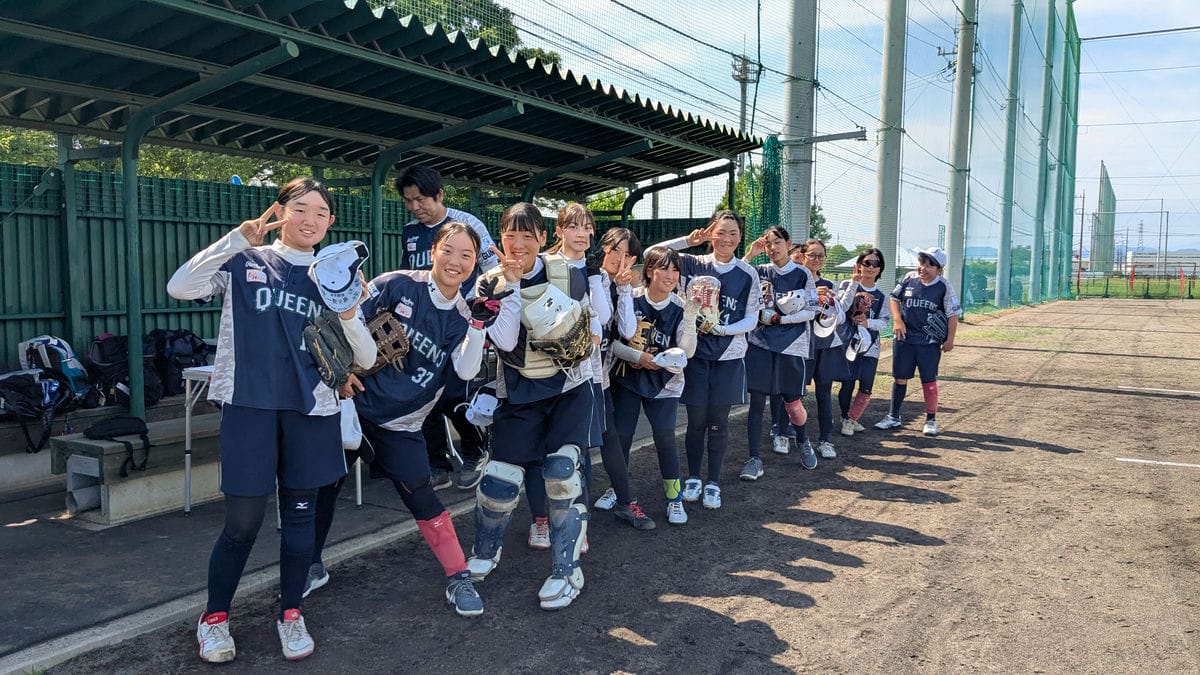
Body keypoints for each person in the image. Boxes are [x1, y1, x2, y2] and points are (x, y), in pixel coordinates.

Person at [167, 178, 377, 663]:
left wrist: (347, 310)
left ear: (330, 223)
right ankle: (215, 618)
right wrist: (236, 240)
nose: (310, 219)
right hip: (249, 405)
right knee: (243, 522)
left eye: (321, 213)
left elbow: (363, 355)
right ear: (279, 210)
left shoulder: (335, 271)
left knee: (301, 521)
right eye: (299, 208)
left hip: (311, 409)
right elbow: (181, 287)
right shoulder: (245, 260)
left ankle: (290, 612)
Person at [342, 221, 509, 617]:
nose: (456, 261)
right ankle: (311, 567)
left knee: (424, 497)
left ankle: (459, 577)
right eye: (448, 250)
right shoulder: (397, 284)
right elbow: (344, 321)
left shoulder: (465, 312)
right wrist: (338, 373)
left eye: (467, 255)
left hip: (400, 423)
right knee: (321, 489)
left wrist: (479, 326)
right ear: (433, 251)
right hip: (350, 407)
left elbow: (466, 371)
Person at [467, 203, 597, 611]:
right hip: (517, 390)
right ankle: (486, 551)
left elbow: (590, 327)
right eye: (510, 235)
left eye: (528, 235)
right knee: (499, 479)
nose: (519, 244)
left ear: (543, 237)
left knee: (562, 473)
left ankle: (566, 570)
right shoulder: (489, 282)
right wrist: (507, 289)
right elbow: (504, 343)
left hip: (569, 389)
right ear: (500, 237)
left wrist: (579, 333)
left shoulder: (568, 273)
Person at [397, 165, 499, 490]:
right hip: (420, 325)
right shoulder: (410, 232)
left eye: (420, 199)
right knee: (421, 391)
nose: (415, 207)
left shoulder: (468, 224)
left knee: (454, 391)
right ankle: (436, 462)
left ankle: (474, 449)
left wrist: (471, 306)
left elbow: (493, 269)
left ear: (439, 194)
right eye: (409, 201)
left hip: (460, 322)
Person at [651, 210, 761, 509]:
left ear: (741, 237)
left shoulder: (747, 273)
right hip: (695, 354)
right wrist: (688, 241)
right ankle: (694, 477)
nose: (726, 239)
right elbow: (652, 254)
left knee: (718, 422)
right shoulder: (691, 263)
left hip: (728, 355)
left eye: (733, 233)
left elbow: (752, 317)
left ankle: (713, 482)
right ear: (710, 232)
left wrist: (724, 329)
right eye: (720, 231)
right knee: (696, 421)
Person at [575, 224, 657, 530]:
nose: (618, 258)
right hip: (573, 379)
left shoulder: (622, 287)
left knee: (610, 440)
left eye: (627, 254)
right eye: (613, 250)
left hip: (602, 379)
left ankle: (625, 502)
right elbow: (601, 318)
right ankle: (575, 512)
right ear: (601, 250)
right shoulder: (583, 278)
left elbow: (625, 331)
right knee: (577, 446)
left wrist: (623, 288)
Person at [609, 246, 697, 524]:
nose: (670, 275)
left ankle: (674, 498)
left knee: (664, 437)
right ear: (649, 270)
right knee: (621, 437)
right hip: (627, 378)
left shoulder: (682, 307)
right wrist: (639, 356)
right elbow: (613, 344)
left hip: (665, 383)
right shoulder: (629, 297)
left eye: (675, 270)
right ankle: (617, 490)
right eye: (664, 268)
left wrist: (693, 317)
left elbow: (686, 352)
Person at [738, 227, 817, 481]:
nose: (772, 248)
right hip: (760, 344)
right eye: (768, 244)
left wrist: (782, 319)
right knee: (757, 403)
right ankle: (754, 458)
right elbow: (735, 275)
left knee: (792, 402)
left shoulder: (802, 274)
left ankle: (803, 440)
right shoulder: (759, 271)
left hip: (791, 345)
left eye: (777, 242)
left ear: (788, 243)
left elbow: (812, 311)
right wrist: (751, 253)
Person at [875, 247, 961, 436]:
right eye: (922, 262)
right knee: (900, 378)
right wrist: (897, 320)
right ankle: (894, 416)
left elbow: (952, 314)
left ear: (939, 269)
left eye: (931, 265)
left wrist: (950, 340)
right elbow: (894, 299)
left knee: (928, 380)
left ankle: (931, 419)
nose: (924, 267)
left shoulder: (943, 286)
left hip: (928, 342)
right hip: (904, 339)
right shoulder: (909, 278)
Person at [798, 237, 851, 466]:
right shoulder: (796, 279)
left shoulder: (829, 284)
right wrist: (812, 297)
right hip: (800, 344)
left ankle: (825, 439)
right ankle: (788, 434)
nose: (817, 260)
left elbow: (837, 317)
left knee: (824, 393)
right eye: (812, 255)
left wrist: (829, 302)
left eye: (821, 256)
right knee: (794, 393)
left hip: (825, 345)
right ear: (802, 256)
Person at [836, 249, 889, 436]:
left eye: (875, 264)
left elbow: (884, 321)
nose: (870, 267)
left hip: (871, 346)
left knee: (866, 386)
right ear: (859, 265)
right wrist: (853, 283)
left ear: (880, 269)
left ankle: (852, 419)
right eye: (867, 263)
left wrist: (868, 323)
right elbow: (839, 308)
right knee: (848, 383)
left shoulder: (882, 296)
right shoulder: (847, 284)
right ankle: (845, 418)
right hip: (848, 343)